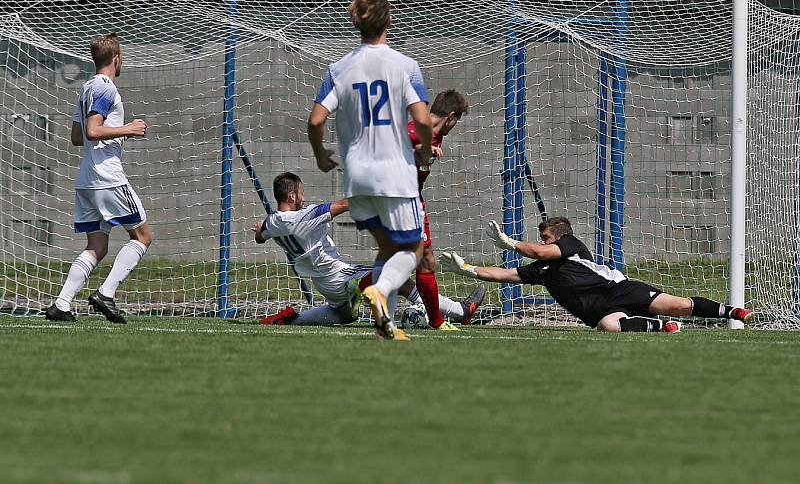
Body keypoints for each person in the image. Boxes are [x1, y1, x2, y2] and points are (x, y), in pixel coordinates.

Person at [308, 0, 433, 340]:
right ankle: (380, 291)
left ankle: (385, 327)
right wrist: (424, 148)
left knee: (387, 247)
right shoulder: (405, 66)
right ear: (389, 20)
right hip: (395, 173)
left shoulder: (339, 69)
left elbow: (316, 121)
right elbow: (422, 119)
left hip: (357, 177)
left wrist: (320, 155)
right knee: (413, 249)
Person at [440, 216, 754, 332]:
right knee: (608, 326)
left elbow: (537, 251)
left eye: (546, 237)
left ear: (560, 237)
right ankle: (662, 328)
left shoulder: (570, 246)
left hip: (620, 291)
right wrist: (467, 269)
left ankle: (733, 311)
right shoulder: (542, 271)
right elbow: (505, 275)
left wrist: (510, 242)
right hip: (604, 310)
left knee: (678, 304)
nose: (541, 241)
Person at [252, 172, 485, 327]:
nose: (304, 197)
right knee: (399, 277)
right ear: (292, 195)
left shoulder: (272, 222)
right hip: (340, 277)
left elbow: (260, 237)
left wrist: (260, 229)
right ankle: (460, 311)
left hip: (323, 284)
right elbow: (344, 205)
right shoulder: (304, 216)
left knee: (343, 315)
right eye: (301, 193)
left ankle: (292, 320)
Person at [44, 33, 152, 323]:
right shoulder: (105, 88)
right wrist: (128, 128)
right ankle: (106, 293)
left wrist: (112, 131)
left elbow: (76, 136)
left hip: (87, 180)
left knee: (97, 247)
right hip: (108, 177)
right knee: (142, 236)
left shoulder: (86, 88)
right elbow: (92, 130)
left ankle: (62, 304)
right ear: (116, 58)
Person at [407, 89, 474, 330]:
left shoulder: (436, 135)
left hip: (413, 201)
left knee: (423, 260)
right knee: (417, 261)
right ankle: (439, 321)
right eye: (456, 122)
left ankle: (439, 320)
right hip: (398, 202)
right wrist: (420, 150)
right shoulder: (415, 129)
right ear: (451, 116)